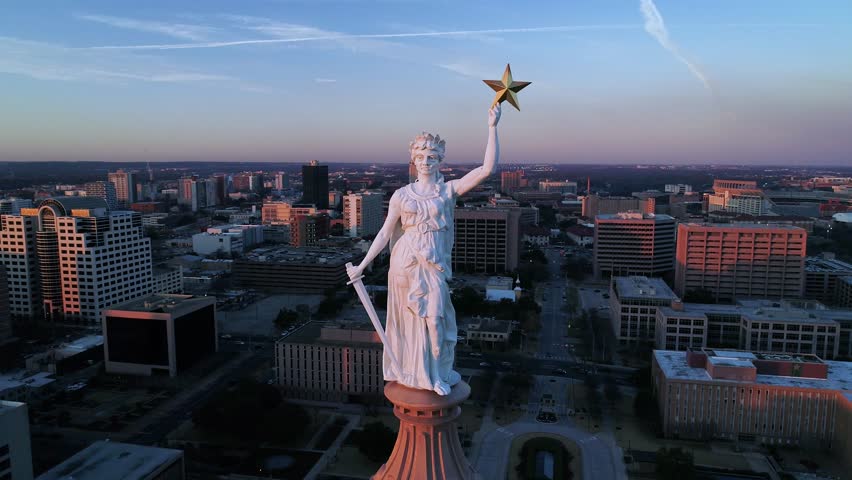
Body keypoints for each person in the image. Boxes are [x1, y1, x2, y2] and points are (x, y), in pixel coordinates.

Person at [347, 104, 502, 395]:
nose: (426, 161)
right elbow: (384, 233)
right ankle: (424, 376)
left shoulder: (448, 190)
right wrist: (363, 264)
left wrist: (492, 127)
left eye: (432, 156)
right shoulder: (401, 195)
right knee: (412, 320)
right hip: (405, 262)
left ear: (440, 160)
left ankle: (438, 369)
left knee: (436, 319)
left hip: (434, 263)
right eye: (421, 156)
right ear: (413, 160)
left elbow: (487, 170)